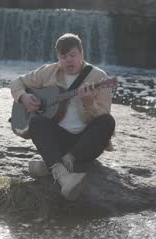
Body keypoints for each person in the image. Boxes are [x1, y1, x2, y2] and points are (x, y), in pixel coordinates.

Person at [9, 33, 115, 201]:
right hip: (57, 140)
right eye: (63, 56)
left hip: (85, 144)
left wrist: (89, 103)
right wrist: (24, 97)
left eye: (73, 55)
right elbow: (16, 83)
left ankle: (54, 163)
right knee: (36, 121)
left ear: (82, 54)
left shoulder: (100, 78)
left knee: (108, 122)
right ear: (58, 57)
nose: (68, 61)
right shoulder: (49, 71)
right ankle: (62, 174)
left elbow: (103, 115)